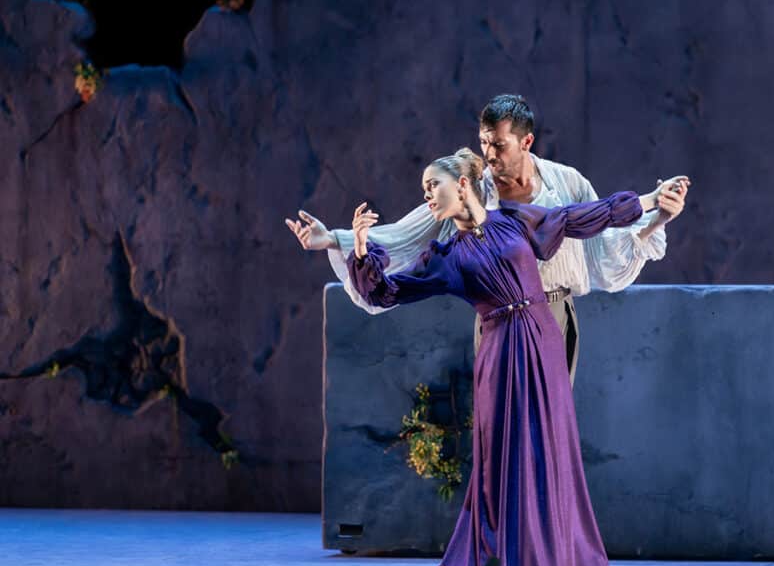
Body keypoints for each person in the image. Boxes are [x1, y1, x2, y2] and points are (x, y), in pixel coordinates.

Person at [345, 148, 668, 566]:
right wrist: (360, 249)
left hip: (543, 339)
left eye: (432, 185)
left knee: (551, 457)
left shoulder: (514, 220)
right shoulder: (446, 256)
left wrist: (649, 199)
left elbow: (578, 218)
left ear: (461, 185)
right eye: (424, 190)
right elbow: (388, 290)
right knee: (506, 464)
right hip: (499, 351)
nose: (427, 195)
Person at [286, 95, 689, 383]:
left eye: (498, 144)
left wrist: (655, 214)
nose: (489, 153)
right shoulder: (472, 192)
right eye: (484, 142)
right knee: (499, 431)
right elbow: (408, 231)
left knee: (550, 429)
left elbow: (598, 229)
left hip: (553, 314)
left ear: (526, 141)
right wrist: (333, 239)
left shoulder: (565, 183)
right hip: (498, 322)